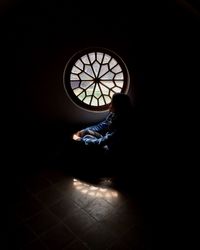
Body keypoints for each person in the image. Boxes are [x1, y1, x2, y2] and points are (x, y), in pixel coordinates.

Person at [72, 93, 133, 160]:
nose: (110, 105)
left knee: (86, 139)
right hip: (107, 140)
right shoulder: (113, 115)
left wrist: (79, 139)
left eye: (112, 103)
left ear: (118, 106)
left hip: (111, 149)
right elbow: (101, 125)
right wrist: (84, 131)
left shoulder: (122, 125)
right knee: (86, 133)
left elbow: (100, 142)